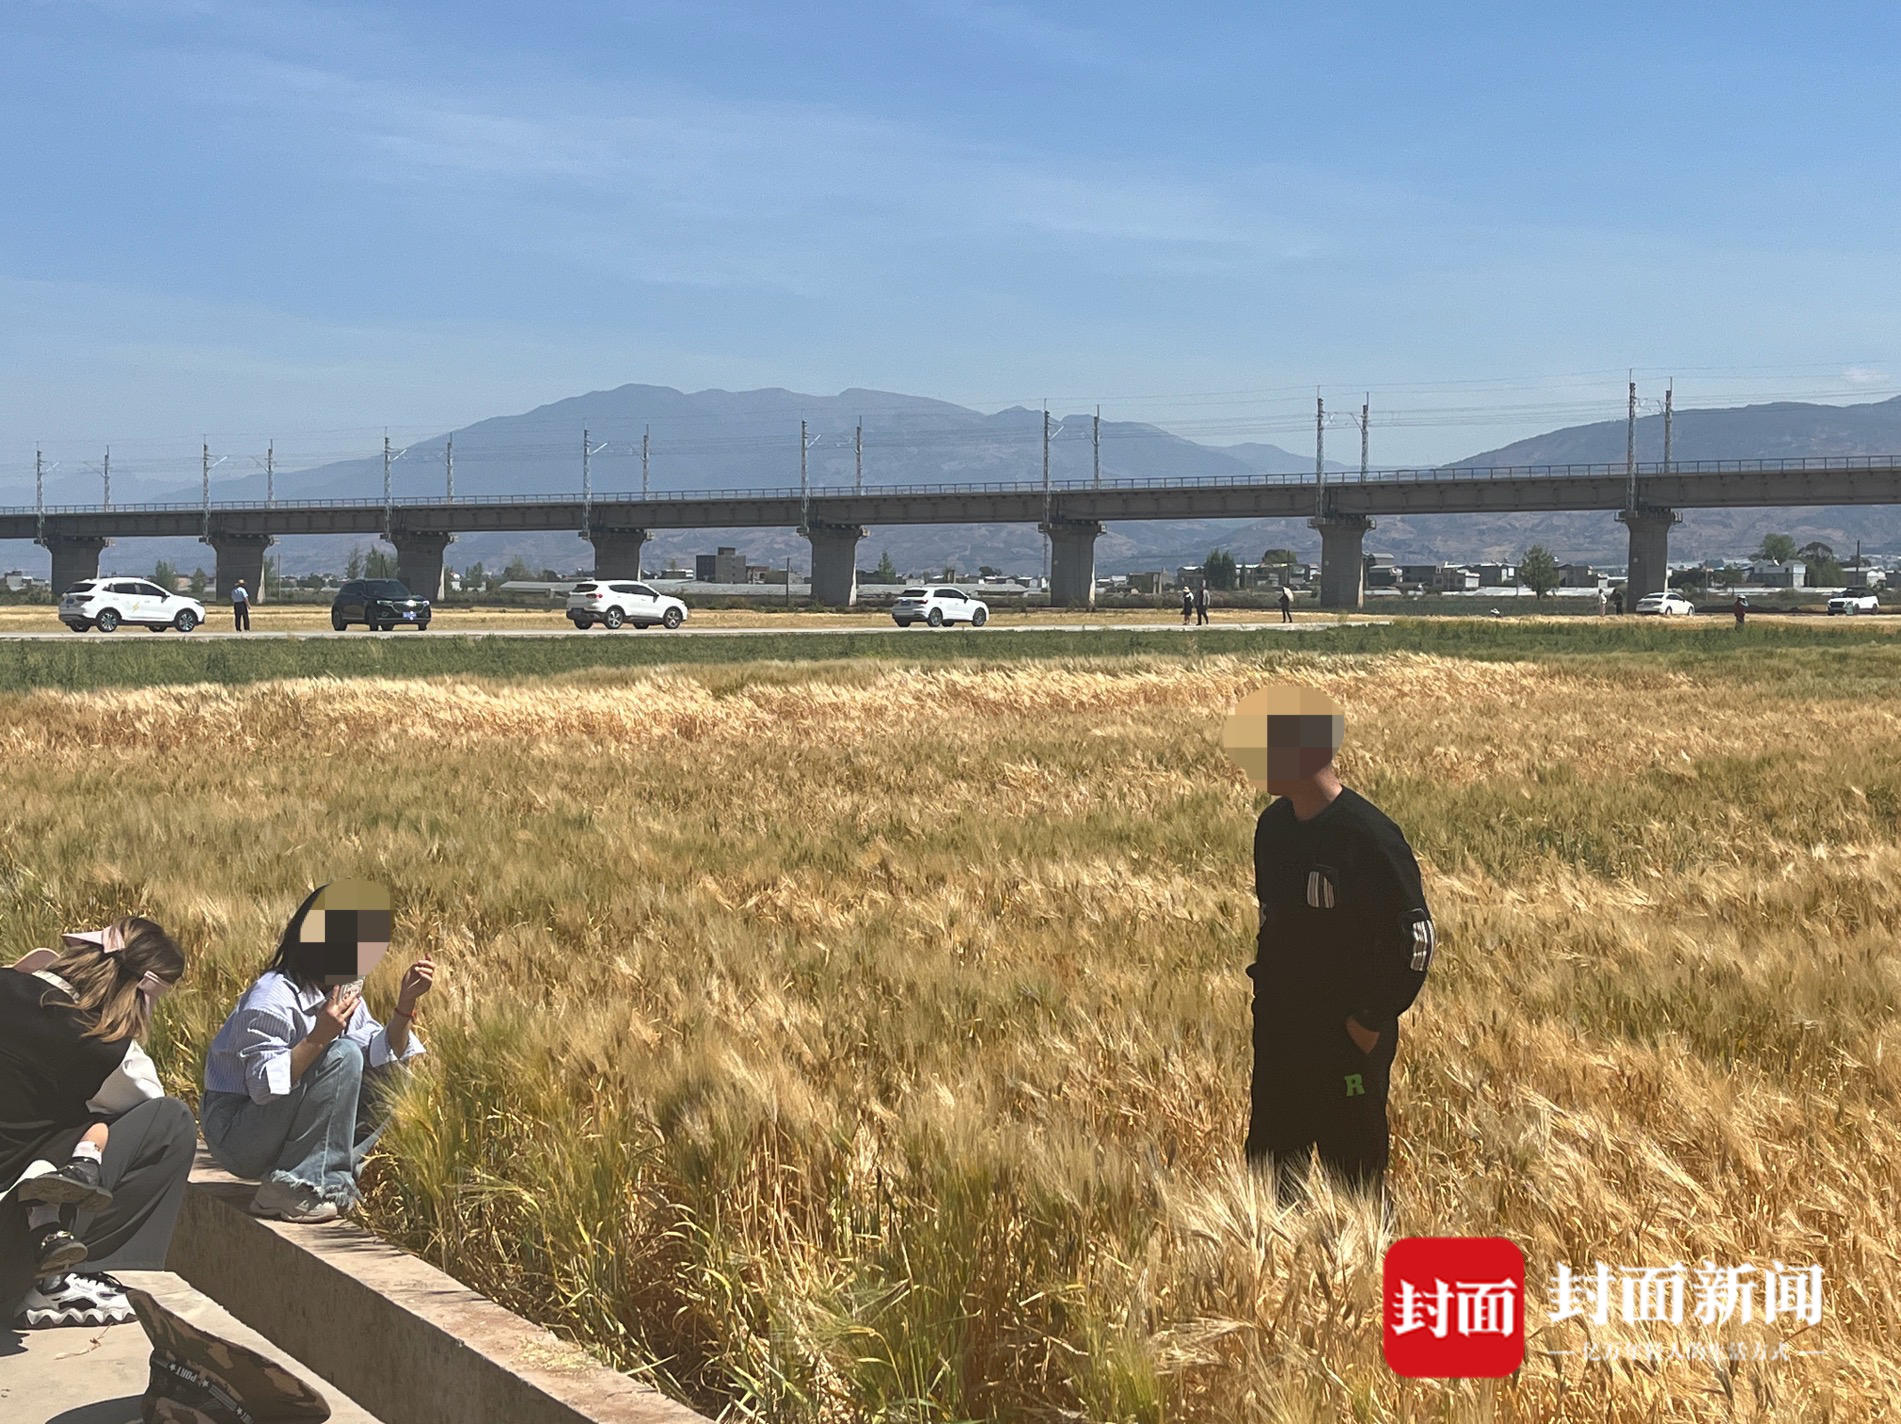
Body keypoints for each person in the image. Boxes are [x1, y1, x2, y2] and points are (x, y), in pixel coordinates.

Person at [1221, 686, 1434, 1210]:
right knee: (1269, 1176)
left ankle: (1366, 1260)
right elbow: (1273, 921)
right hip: (1281, 1035)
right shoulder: (1272, 828)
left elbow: (1415, 939)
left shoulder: (1368, 837)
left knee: (1355, 1180)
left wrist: (1369, 1020)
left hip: (1346, 1044)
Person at [200, 883, 435, 1222]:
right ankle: (295, 1186)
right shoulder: (272, 997)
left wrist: (404, 1006)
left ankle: (322, 1181)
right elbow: (262, 1088)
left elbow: (379, 1054)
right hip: (236, 1133)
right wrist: (319, 1037)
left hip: (274, 1125)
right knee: (343, 1055)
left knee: (393, 1076)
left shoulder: (339, 988)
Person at [2, 918, 195, 1329]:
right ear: (143, 992)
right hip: (8, 1250)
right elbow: (148, 1101)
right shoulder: (103, 1050)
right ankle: (63, 1278)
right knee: (169, 1123)